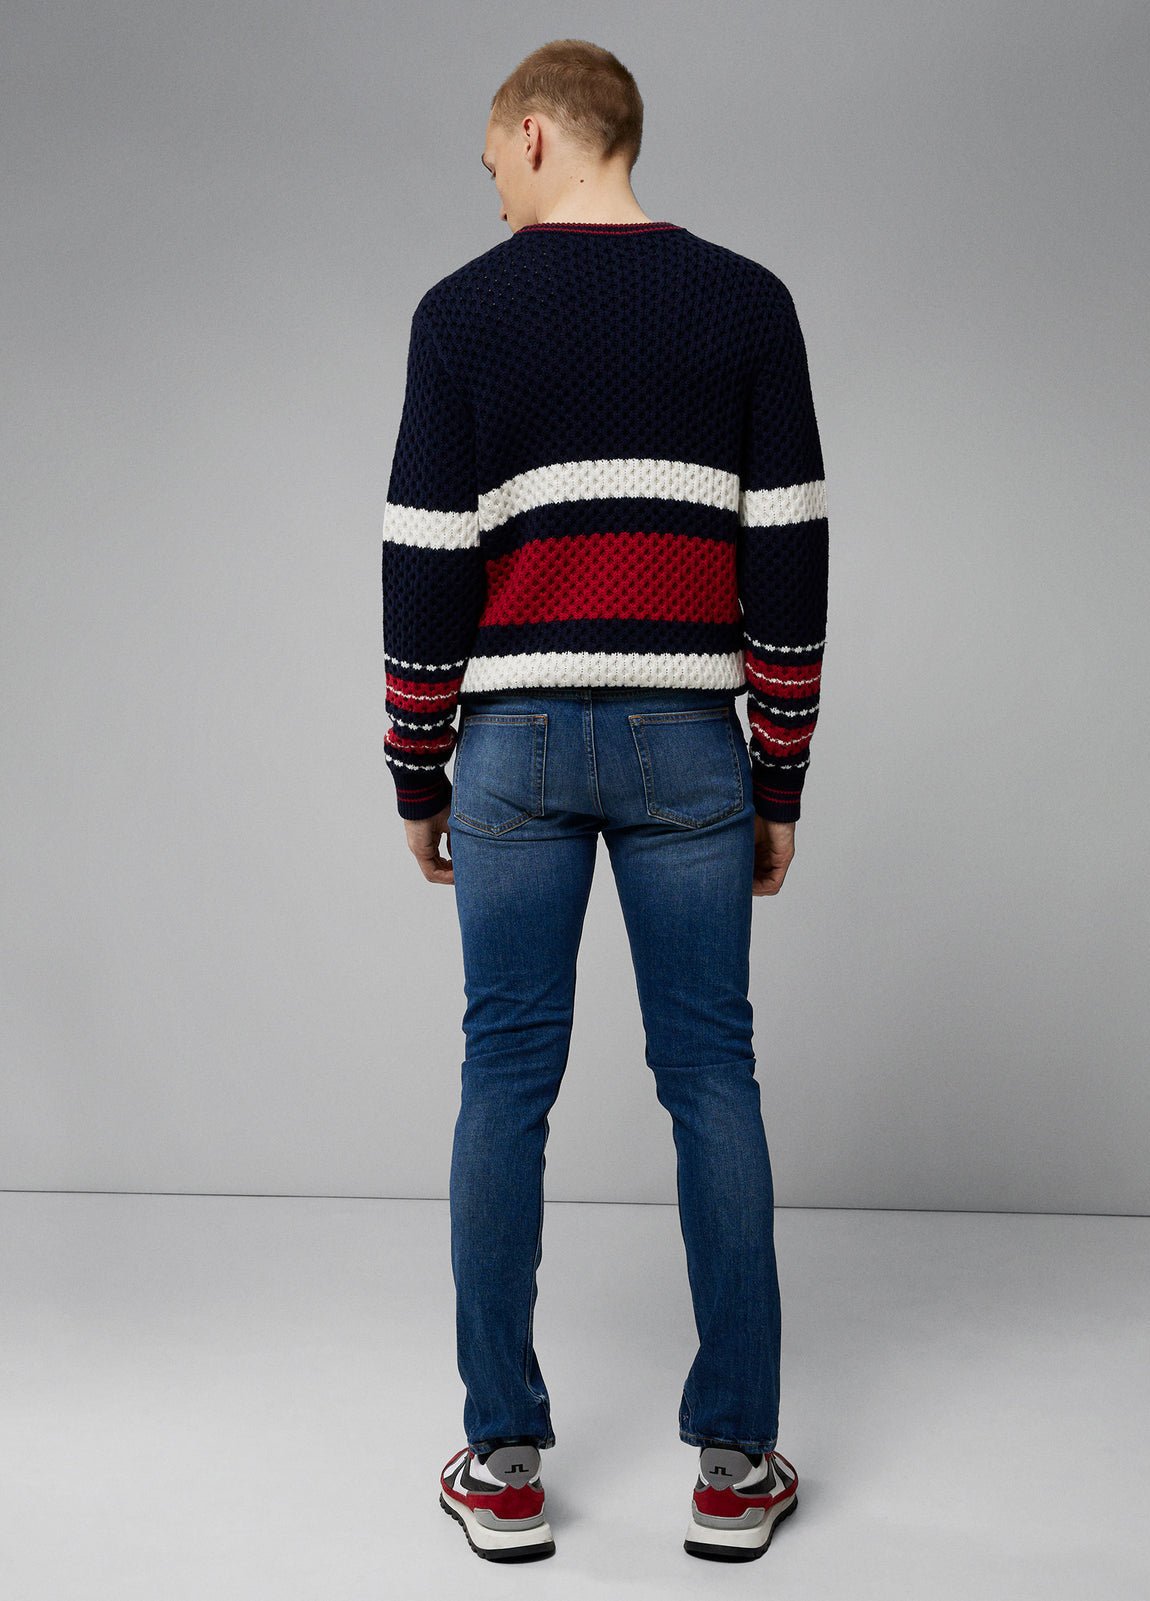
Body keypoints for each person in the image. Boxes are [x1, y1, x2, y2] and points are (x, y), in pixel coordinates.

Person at [381, 38, 827, 1564]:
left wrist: (417, 765)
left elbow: (425, 557)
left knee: (504, 1079)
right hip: (687, 741)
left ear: (534, 134)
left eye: (490, 164)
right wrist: (780, 771)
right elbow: (789, 557)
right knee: (712, 1075)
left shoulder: (461, 315)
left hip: (509, 744)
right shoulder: (748, 305)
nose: (491, 194)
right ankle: (736, 1464)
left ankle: (502, 1462)